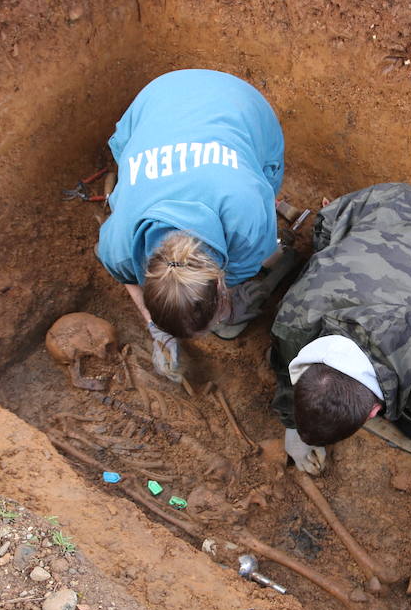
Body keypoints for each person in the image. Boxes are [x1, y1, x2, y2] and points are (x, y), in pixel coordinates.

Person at [269, 183, 411, 474]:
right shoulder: (296, 315)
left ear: (373, 413)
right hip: (389, 200)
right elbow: (284, 365)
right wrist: (293, 428)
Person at [95, 69, 289, 381]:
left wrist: (227, 305)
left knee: (261, 179)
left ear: (222, 286)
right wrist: (156, 329)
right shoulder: (117, 249)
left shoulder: (248, 221)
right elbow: (126, 278)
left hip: (240, 104)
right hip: (158, 97)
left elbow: (245, 260)